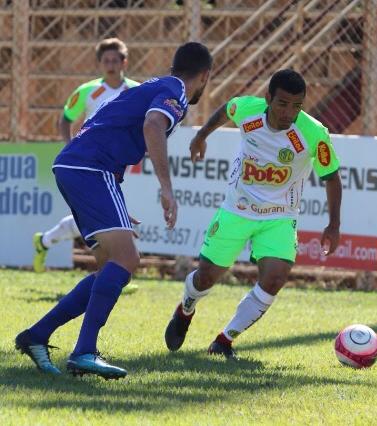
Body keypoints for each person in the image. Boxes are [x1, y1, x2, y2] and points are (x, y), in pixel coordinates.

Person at [16, 42, 213, 379]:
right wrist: (166, 188)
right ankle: (85, 352)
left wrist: (117, 205)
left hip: (77, 167)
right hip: (91, 169)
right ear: (205, 76)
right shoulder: (176, 91)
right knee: (127, 260)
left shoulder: (155, 84)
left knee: (110, 266)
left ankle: (36, 335)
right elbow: (153, 126)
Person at [164, 69, 342, 360]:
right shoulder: (248, 110)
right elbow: (227, 110)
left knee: (275, 278)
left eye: (297, 106)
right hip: (237, 210)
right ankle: (186, 308)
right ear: (268, 98)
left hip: (280, 217)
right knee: (206, 277)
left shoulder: (313, 133)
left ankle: (224, 340)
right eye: (282, 103)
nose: (289, 112)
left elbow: (332, 177)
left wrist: (333, 224)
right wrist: (201, 136)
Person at [33, 37, 139, 273]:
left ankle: (45, 241)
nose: (110, 64)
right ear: (100, 63)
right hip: (92, 163)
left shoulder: (135, 90)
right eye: (106, 60)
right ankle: (113, 270)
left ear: (124, 62)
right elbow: (66, 119)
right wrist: (70, 146)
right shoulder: (88, 91)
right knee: (101, 214)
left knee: (103, 214)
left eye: (115, 60)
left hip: (120, 163)